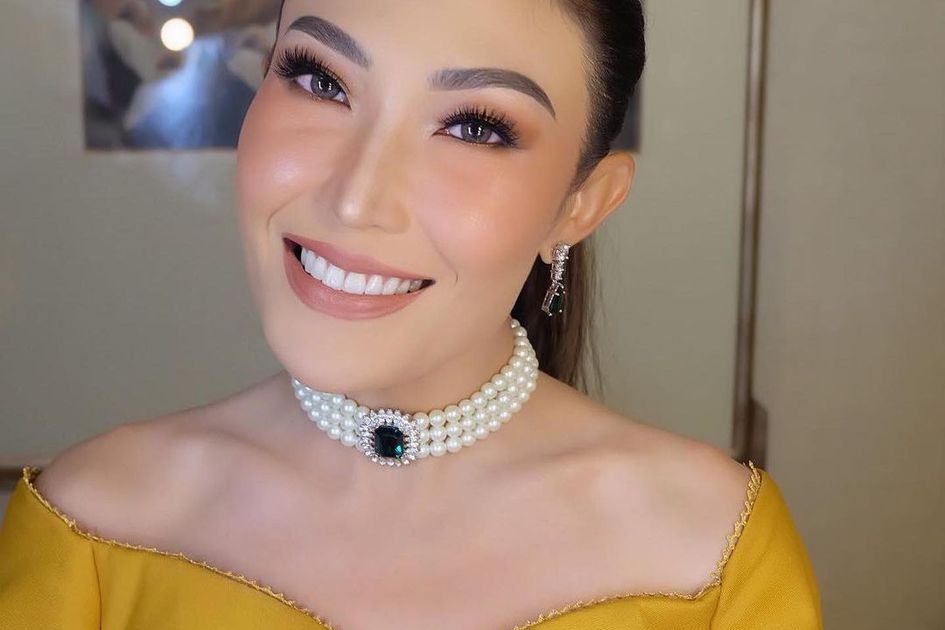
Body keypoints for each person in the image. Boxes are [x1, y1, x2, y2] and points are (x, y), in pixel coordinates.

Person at [0, 1, 823, 628]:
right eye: (320, 81)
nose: (356, 199)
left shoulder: (713, 555)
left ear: (581, 205)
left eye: (474, 127)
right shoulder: (88, 528)